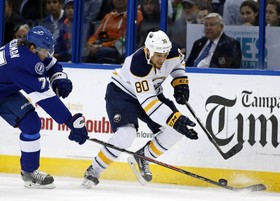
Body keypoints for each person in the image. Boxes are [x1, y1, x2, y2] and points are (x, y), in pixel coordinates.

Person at [81, 30, 198, 188]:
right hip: (122, 94)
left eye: (164, 55)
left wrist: (180, 81)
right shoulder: (138, 64)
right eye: (158, 55)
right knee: (126, 134)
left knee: (176, 131)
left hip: (151, 92)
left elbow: (178, 64)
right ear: (148, 50)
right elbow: (149, 105)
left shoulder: (172, 52)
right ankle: (94, 170)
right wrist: (175, 119)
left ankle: (143, 157)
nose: (162, 59)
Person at [0, 25, 88, 189]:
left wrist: (57, 77)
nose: (47, 54)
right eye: (44, 50)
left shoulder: (25, 46)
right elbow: (45, 98)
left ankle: (29, 172)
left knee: (31, 123)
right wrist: (69, 121)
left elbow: (51, 63)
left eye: (49, 50)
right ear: (32, 47)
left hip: (4, 92)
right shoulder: (24, 63)